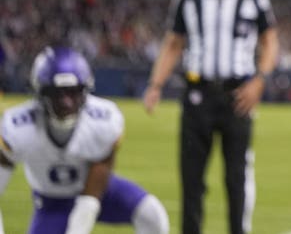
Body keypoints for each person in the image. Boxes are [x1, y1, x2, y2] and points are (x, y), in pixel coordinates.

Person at [142, 0, 279, 234]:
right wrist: (155, 85)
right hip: (197, 96)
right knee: (191, 181)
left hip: (238, 96)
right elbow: (173, 44)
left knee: (237, 179)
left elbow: (270, 40)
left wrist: (260, 80)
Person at [0, 46, 170, 234]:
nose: (67, 103)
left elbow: (93, 190)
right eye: (58, 93)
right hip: (51, 203)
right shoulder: (18, 128)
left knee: (152, 215)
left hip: (99, 191)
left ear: (85, 91)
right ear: (41, 92)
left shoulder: (104, 120)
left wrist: (79, 224)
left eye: (73, 92)